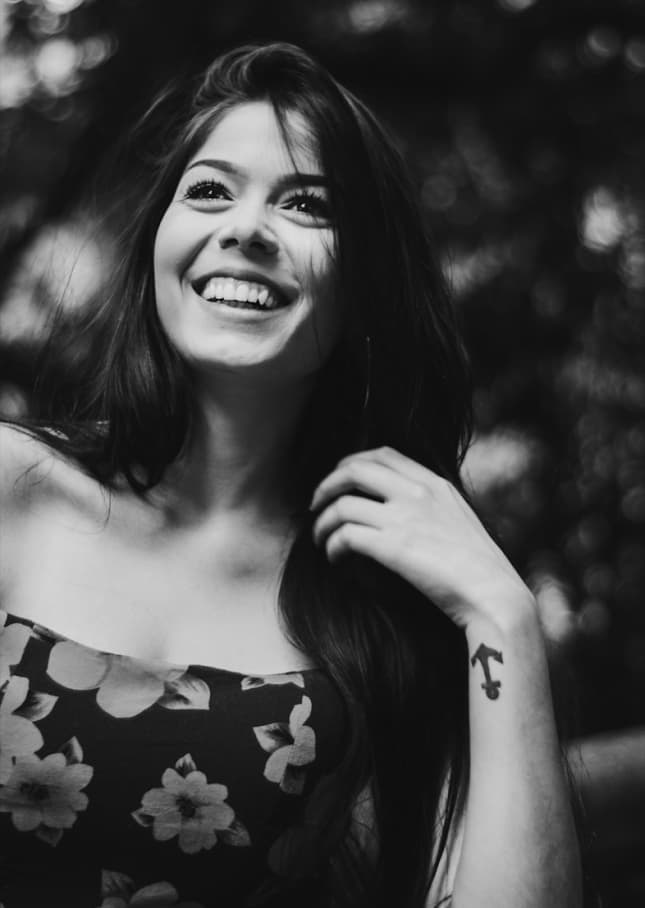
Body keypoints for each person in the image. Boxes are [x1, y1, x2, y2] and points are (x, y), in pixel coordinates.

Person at [0, 42, 581, 908]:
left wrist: (504, 619)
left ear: (366, 282)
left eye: (307, 204)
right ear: (159, 243)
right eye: (208, 190)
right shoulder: (14, 486)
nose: (244, 228)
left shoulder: (386, 613)